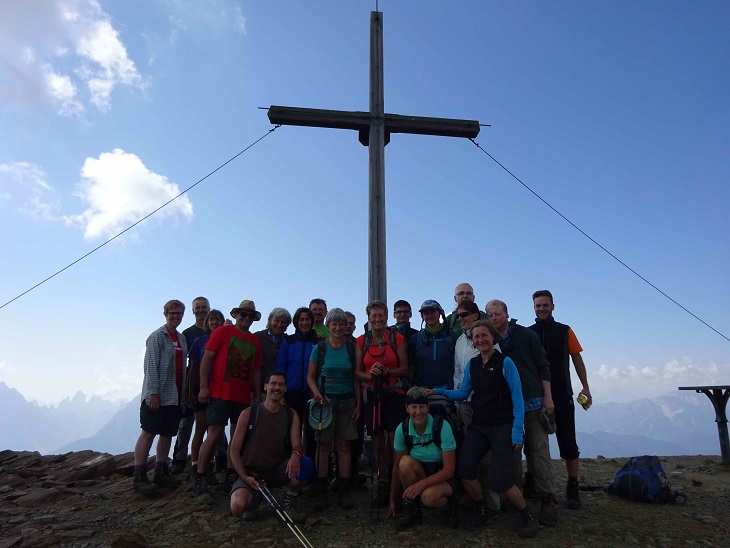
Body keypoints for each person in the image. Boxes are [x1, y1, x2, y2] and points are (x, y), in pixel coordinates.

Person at [432, 320, 538, 537]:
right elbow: (463, 393)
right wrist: (436, 392)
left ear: (493, 338)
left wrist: (517, 432)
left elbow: (517, 400)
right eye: (476, 337)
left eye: (484, 336)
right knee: (465, 470)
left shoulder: (506, 363)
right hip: (479, 426)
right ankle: (482, 508)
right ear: (472, 341)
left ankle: (527, 513)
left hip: (502, 426)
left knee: (500, 480)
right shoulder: (473, 364)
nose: (480, 340)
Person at [486, 299, 558, 526]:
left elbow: (543, 365)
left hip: (533, 400)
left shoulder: (526, 335)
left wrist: (548, 397)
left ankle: (548, 498)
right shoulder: (490, 342)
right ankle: (517, 497)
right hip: (506, 406)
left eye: (498, 314)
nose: (495, 318)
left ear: (507, 314)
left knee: (538, 449)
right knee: (513, 451)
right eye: (491, 315)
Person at [193, 300, 263, 497]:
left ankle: (231, 475)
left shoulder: (255, 341)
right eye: (243, 314)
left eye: (250, 316)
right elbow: (206, 358)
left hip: (242, 397)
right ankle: (200, 475)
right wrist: (204, 386)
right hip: (219, 393)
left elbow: (256, 370)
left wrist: (257, 394)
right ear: (236, 315)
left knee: (236, 436)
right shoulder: (222, 332)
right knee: (214, 434)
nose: (246, 318)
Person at [529, 290, 592, 509]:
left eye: (545, 305)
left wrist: (585, 386)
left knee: (568, 441)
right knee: (534, 443)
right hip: (536, 396)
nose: (541, 309)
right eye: (538, 306)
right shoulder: (529, 333)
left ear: (553, 306)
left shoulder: (565, 331)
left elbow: (577, 358)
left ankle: (572, 485)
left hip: (563, 393)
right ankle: (532, 481)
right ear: (533, 307)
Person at [229, 371, 313, 524]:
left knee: (306, 463)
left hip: (277, 470)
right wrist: (245, 477)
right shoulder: (249, 413)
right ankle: (254, 499)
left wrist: (295, 454)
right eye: (273, 383)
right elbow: (233, 450)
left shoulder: (291, 414)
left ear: (285, 389)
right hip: (251, 473)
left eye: (281, 384)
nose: (277, 387)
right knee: (237, 508)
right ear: (266, 386)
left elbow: (297, 445)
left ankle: (290, 499)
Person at [355, 300, 409, 507]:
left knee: (395, 438)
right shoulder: (362, 341)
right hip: (373, 393)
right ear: (368, 318)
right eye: (373, 316)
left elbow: (405, 368)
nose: (377, 319)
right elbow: (358, 371)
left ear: (387, 317)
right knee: (377, 439)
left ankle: (399, 482)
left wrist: (388, 372)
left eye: (381, 316)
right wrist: (370, 374)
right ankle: (384, 481)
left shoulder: (397, 338)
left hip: (395, 393)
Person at [131, 299, 187, 495]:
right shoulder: (157, 337)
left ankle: (160, 471)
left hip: (176, 394)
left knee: (167, 433)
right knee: (148, 432)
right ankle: (139, 475)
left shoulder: (181, 338)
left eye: (179, 313)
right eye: (172, 313)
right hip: (158, 394)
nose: (176, 316)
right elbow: (151, 366)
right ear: (166, 314)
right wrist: (153, 393)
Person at [307, 308, 361, 509]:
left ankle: (344, 489)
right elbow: (310, 376)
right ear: (328, 327)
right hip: (325, 403)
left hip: (347, 401)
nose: (338, 327)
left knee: (344, 446)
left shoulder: (351, 348)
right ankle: (321, 490)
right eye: (334, 324)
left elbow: (355, 376)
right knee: (323, 446)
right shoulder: (320, 348)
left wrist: (358, 403)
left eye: (341, 324)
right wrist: (316, 393)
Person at [453, 301, 502, 514]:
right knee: (471, 456)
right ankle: (478, 501)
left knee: (487, 458)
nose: (460, 318)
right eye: (458, 315)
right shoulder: (459, 342)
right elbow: (458, 373)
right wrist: (456, 402)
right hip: (464, 405)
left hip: (486, 408)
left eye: (464, 315)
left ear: (475, 315)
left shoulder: (490, 342)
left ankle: (493, 504)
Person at [388, 386, 458, 530]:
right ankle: (412, 511)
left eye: (422, 407)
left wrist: (421, 485)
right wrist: (392, 498)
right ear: (407, 408)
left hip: (443, 477)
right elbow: (397, 467)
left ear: (428, 407)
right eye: (413, 407)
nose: (418, 412)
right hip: (421, 472)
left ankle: (449, 507)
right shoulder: (403, 429)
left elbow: (449, 470)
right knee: (404, 462)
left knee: (428, 497)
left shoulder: (442, 426)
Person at [171, 296, 210, 474]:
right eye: (198, 308)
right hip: (190, 386)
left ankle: (216, 457)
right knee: (185, 424)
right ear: (193, 311)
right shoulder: (186, 334)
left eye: (204, 307)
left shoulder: (215, 332)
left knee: (212, 424)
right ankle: (179, 460)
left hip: (211, 387)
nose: (201, 310)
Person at [186, 309, 225, 483]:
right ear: (207, 322)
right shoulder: (199, 341)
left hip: (219, 391)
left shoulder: (226, 341)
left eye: (218, 320)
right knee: (201, 427)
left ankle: (208, 465)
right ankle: (195, 464)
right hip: (200, 390)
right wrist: (189, 392)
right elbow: (193, 367)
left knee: (214, 431)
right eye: (212, 319)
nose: (215, 322)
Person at [276, 307, 319, 461]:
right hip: (292, 392)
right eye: (301, 320)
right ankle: (288, 466)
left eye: (307, 319)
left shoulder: (318, 342)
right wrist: (281, 393)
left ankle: (311, 466)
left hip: (311, 393)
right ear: (296, 322)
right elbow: (281, 366)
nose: (304, 322)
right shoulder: (288, 340)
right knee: (290, 430)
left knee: (311, 432)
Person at [408, 300, 458, 410]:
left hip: (447, 392)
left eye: (432, 312)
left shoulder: (452, 338)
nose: (429, 315)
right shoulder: (416, 339)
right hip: (421, 392)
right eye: (426, 313)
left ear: (439, 313)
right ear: (422, 316)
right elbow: (411, 366)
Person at [255, 308, 292, 398]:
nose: (279, 325)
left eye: (283, 322)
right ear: (270, 320)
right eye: (276, 321)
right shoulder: (257, 337)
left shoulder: (289, 341)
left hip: (280, 392)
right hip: (259, 391)